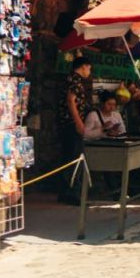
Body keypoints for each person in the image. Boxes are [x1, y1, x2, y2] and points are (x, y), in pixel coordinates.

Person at [57, 56, 92, 204]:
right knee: (75, 157)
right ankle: (73, 193)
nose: (89, 72)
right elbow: (71, 100)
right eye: (89, 68)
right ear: (83, 66)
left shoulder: (69, 79)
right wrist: (78, 122)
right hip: (71, 124)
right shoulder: (75, 80)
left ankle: (65, 192)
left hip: (66, 123)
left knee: (68, 157)